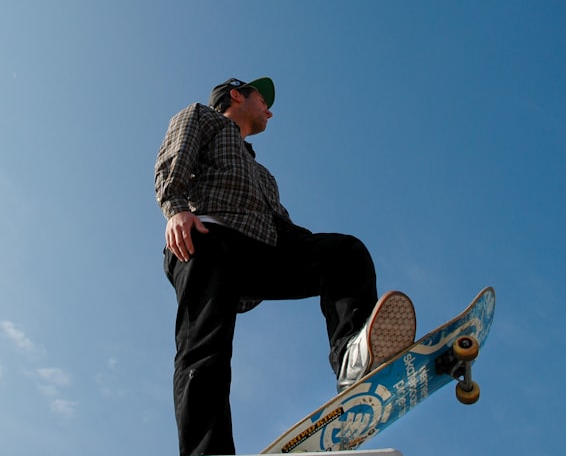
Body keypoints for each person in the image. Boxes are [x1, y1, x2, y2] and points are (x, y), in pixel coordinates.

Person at [155, 77, 417, 456]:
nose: (270, 110)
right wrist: (175, 208)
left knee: (344, 252)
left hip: (259, 251)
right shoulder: (202, 117)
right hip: (206, 239)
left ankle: (352, 358)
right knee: (204, 352)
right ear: (236, 95)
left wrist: (311, 252)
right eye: (263, 101)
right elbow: (174, 156)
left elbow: (285, 227)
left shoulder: (262, 173)